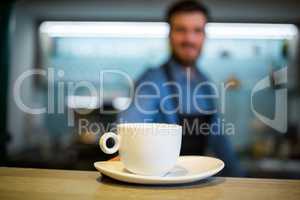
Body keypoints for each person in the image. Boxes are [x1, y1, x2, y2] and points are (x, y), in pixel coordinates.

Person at [117, 0, 243, 176]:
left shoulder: (205, 83)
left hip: (195, 180)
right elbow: (128, 128)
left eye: (197, 31)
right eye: (181, 30)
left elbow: (219, 140)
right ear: (170, 35)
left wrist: (239, 176)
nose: (189, 39)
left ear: (204, 36)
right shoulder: (152, 80)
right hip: (161, 183)